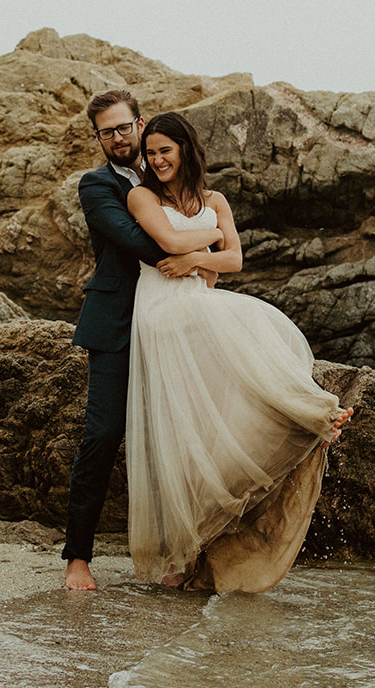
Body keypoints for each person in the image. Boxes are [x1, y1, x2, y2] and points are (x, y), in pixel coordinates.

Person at [124, 111, 352, 593]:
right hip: (163, 309)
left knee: (213, 422)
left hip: (197, 300)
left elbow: (235, 260)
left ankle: (307, 415)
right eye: (151, 152)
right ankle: (308, 412)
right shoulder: (141, 195)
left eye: (165, 149)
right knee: (180, 426)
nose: (157, 159)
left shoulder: (215, 199)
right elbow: (168, 241)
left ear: (186, 149)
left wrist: (197, 258)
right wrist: (207, 242)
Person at [63, 90, 223, 592]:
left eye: (123, 127)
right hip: (116, 323)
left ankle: (183, 557)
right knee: (104, 434)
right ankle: (77, 559)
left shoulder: (173, 182)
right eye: (106, 132)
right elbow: (136, 241)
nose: (117, 138)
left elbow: (213, 241)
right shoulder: (97, 185)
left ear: (141, 123)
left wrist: (204, 245)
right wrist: (210, 240)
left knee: (177, 434)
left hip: (175, 319)